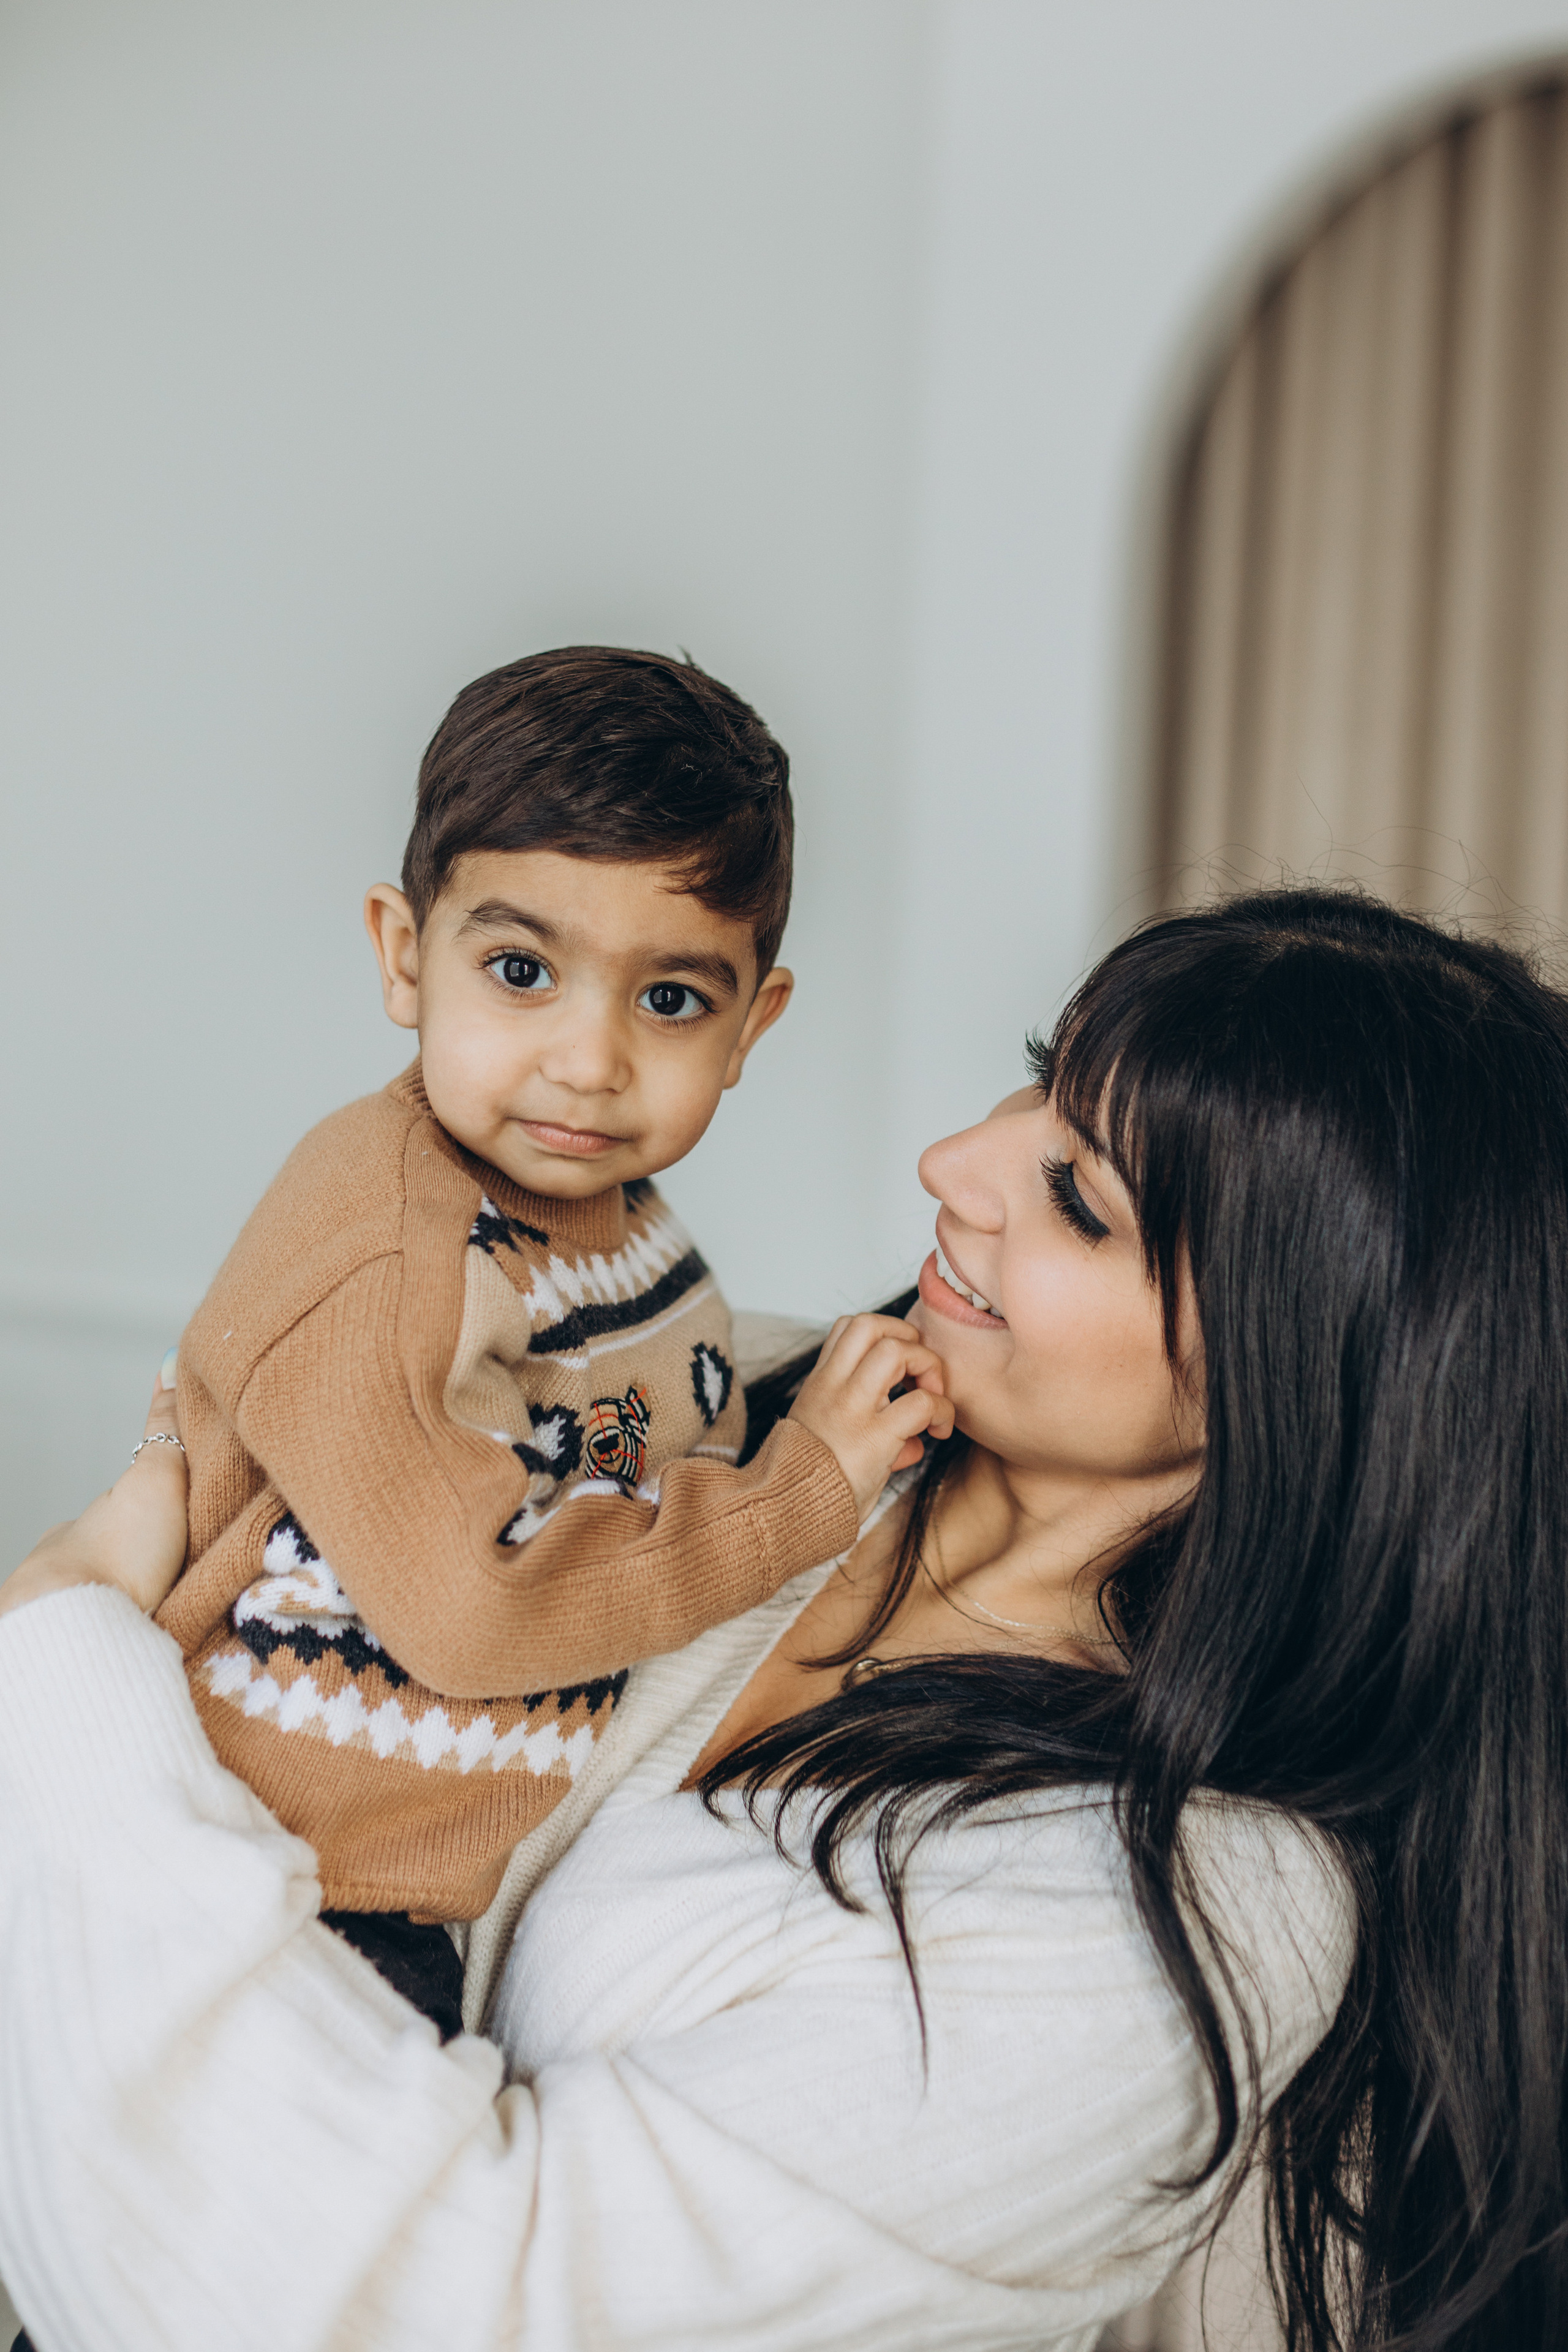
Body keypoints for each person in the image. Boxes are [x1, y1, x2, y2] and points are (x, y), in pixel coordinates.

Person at [2, 885, 1566, 2350]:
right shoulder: (744, 1400)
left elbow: (436, 2309)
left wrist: (61, 1650)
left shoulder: (1181, 1909)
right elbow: (485, 1484)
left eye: (1076, 1198)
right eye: (1035, 1083)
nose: (953, 1160)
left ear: (1309, 1385)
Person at [154, 644, 948, 2027]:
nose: (590, 1059)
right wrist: (805, 1490)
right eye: (521, 969)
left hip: (428, 1877)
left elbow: (621, 1443)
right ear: (406, 957)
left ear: (752, 1023)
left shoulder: (606, 1215)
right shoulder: (395, 1247)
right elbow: (470, 1612)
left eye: (669, 1000)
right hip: (273, 1873)